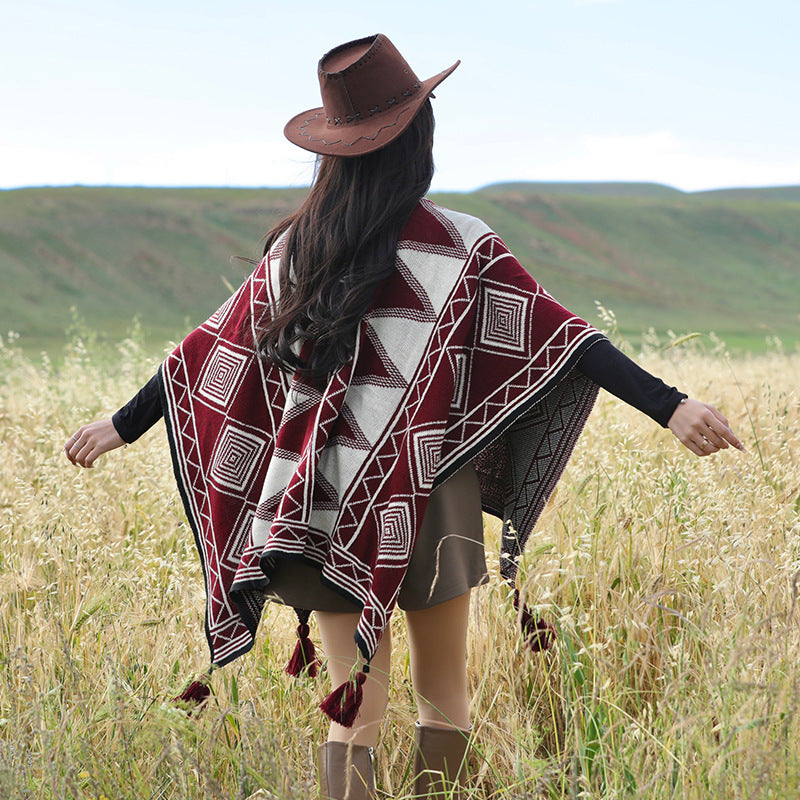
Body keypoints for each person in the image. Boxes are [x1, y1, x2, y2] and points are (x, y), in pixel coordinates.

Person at [64, 34, 744, 800]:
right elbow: (567, 340)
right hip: (431, 496)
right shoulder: (460, 246)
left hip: (319, 503)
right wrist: (671, 406)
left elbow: (206, 356)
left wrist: (121, 426)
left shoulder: (297, 251)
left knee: (354, 710)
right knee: (443, 698)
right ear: (417, 138)